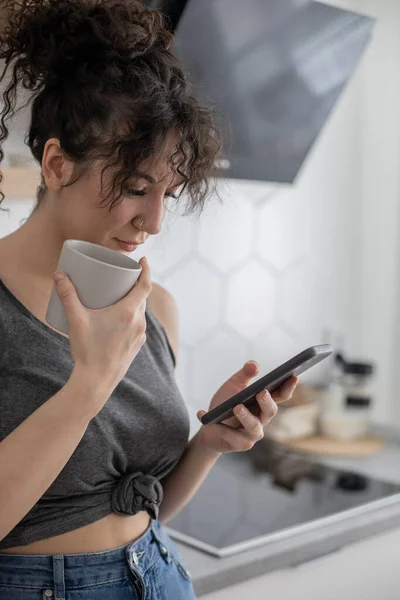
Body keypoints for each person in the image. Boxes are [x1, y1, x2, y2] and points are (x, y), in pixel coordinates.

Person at [0, 1, 298, 598]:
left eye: (168, 192)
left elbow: (146, 506)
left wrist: (210, 445)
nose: (155, 221)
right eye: (137, 188)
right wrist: (90, 384)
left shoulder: (154, 307)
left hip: (159, 576)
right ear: (58, 164)